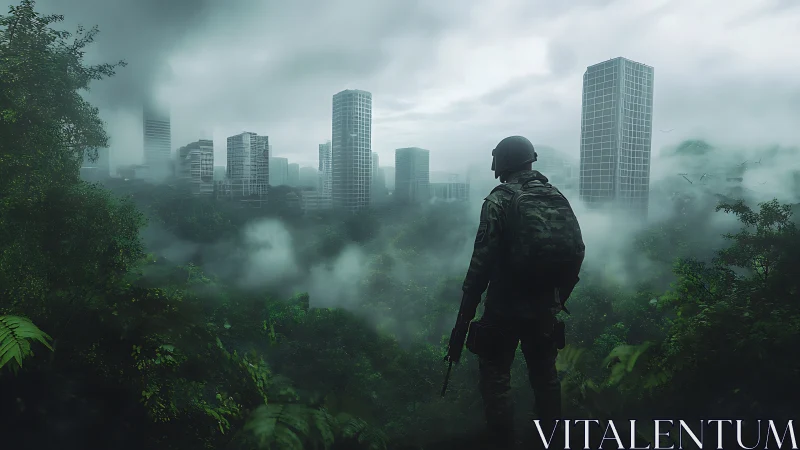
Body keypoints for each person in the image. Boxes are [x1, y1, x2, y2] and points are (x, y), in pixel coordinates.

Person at [459, 135, 585, 449]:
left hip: (503, 308)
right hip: (544, 307)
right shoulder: (554, 195)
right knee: (545, 378)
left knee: (496, 379)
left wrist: (464, 315)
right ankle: (551, 441)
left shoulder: (499, 200)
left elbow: (481, 263)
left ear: (501, 163)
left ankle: (503, 442)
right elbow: (577, 251)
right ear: (530, 159)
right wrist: (558, 300)